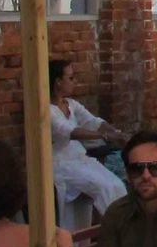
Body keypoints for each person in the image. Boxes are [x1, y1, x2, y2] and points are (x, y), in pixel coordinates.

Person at [48, 58, 126, 215]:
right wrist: (106, 136)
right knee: (104, 188)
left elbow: (92, 121)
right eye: (71, 78)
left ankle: (123, 225)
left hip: (80, 160)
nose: (75, 82)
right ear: (58, 82)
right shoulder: (47, 110)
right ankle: (114, 225)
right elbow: (71, 131)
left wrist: (116, 133)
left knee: (117, 185)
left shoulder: (71, 104)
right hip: (60, 164)